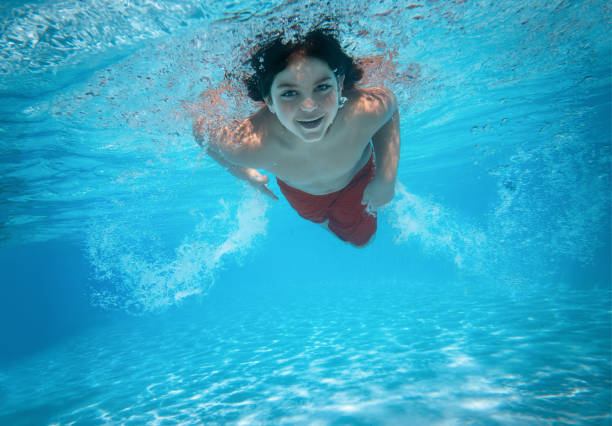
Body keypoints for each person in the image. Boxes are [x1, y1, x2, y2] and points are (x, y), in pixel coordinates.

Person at [193, 27, 400, 247]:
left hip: (355, 179)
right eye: (289, 93)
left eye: (322, 87)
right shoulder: (250, 144)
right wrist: (246, 174)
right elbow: (200, 130)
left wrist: (386, 178)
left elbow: (391, 109)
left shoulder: (362, 111)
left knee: (362, 242)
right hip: (303, 198)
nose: (309, 106)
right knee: (324, 222)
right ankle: (325, 224)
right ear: (269, 101)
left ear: (339, 86)